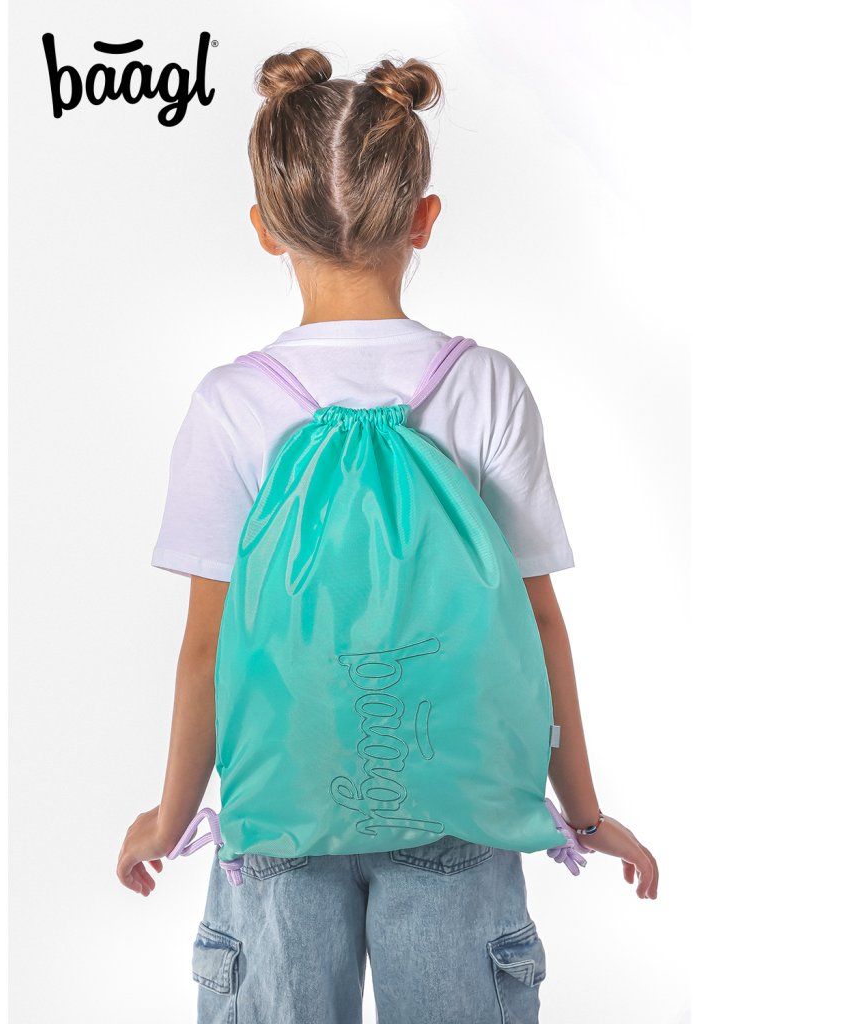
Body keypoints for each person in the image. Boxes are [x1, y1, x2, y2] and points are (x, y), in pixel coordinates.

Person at [117, 47, 658, 1024]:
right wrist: (581, 814)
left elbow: (206, 649)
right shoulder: (483, 385)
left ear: (264, 227)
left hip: (279, 820)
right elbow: (538, 623)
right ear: (423, 218)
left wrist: (170, 816)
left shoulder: (232, 404)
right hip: (459, 806)